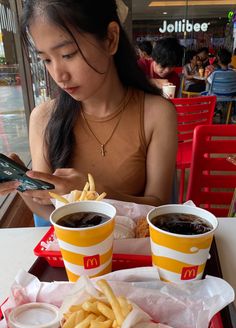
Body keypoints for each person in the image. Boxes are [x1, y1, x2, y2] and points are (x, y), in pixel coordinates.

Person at [0, 0, 177, 222]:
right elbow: (48, 212)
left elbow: (158, 208)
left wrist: (92, 192)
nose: (59, 75)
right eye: (45, 60)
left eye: (67, 54)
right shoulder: (44, 118)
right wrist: (21, 181)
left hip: (134, 251)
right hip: (72, 252)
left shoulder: (157, 114)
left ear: (111, 39)